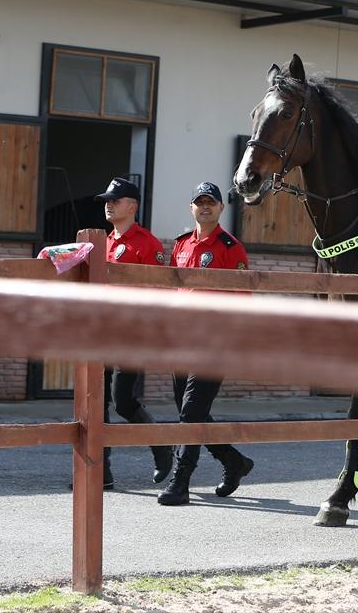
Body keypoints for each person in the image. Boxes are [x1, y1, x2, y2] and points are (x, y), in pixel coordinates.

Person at [157, 181, 256, 506]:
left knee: (191, 411)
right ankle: (233, 461)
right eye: (199, 202)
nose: (205, 207)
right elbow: (172, 292)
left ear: (220, 208)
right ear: (191, 208)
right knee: (191, 413)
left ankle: (180, 481)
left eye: (210, 202)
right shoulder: (182, 245)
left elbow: (242, 300)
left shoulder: (230, 247)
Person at [75, 177, 174, 489]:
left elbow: (158, 292)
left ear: (132, 206)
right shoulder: (102, 243)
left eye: (114, 200)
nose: (108, 205)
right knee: (97, 403)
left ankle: (161, 445)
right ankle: (100, 475)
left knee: (123, 401)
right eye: (106, 200)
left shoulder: (148, 244)